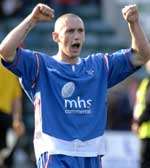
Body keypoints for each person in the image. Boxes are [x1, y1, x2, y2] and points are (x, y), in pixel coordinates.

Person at [0, 3, 150, 168]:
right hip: (55, 153)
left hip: (91, 154)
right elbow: (6, 50)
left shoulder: (100, 65)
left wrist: (134, 23)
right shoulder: (40, 65)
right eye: (70, 31)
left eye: (80, 31)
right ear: (56, 36)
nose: (76, 36)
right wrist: (32, 19)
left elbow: (142, 55)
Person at [0, 61, 24, 168]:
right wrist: (17, 120)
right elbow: (16, 100)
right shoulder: (11, 66)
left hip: (5, 117)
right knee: (6, 158)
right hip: (5, 117)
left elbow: (16, 98)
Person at [132, 61, 150, 168]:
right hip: (144, 131)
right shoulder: (145, 82)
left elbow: (149, 108)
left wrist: (138, 122)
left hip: (146, 131)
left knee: (145, 163)